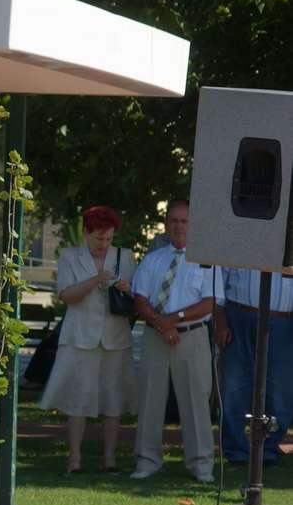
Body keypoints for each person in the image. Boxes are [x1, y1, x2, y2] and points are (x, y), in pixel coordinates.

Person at [39, 205, 136, 474]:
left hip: (115, 338)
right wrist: (95, 280)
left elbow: (137, 296)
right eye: (98, 238)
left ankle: (110, 459)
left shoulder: (125, 256)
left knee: (113, 400)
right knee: (78, 399)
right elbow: (66, 295)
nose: (103, 244)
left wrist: (127, 288)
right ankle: (74, 459)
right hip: (80, 337)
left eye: (108, 238)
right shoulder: (70, 256)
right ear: (86, 232)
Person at [130, 199, 223, 482]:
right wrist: (162, 324)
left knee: (196, 402)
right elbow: (139, 298)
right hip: (155, 337)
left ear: (193, 225)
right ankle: (146, 462)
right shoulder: (153, 259)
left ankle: (201, 465)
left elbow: (209, 303)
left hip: (192, 338)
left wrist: (174, 319)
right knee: (150, 400)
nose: (179, 226)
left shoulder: (207, 262)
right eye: (174, 221)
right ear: (166, 224)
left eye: (184, 221)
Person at [213, 268, 293, 466]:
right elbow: (218, 282)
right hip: (238, 316)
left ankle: (268, 451)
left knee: (280, 390)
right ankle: (235, 451)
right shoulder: (238, 246)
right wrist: (220, 320)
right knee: (233, 386)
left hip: (283, 320)